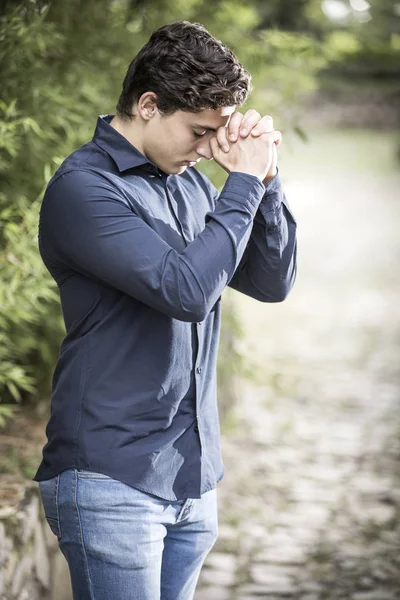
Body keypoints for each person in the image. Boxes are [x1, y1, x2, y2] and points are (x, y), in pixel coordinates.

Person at [34, 20, 297, 600]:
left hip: (192, 478)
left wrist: (267, 181)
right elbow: (187, 291)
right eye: (198, 131)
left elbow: (271, 281)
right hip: (111, 479)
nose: (207, 149)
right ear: (149, 105)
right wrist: (243, 184)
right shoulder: (85, 190)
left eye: (216, 134)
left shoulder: (190, 185)